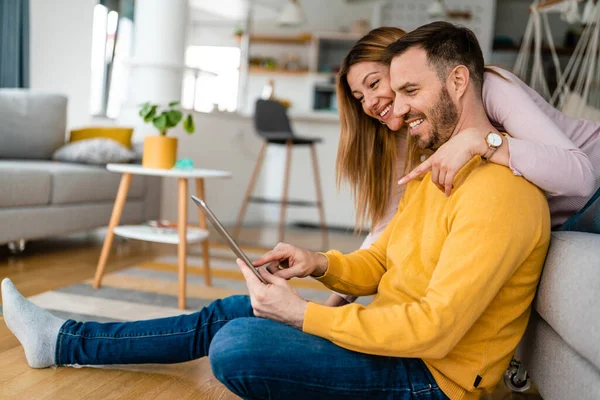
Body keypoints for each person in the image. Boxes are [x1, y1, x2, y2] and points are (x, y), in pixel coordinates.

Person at [2, 22, 550, 400]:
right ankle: (62, 340)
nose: (396, 109)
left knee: (238, 342)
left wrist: (304, 316)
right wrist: (316, 262)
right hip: (393, 344)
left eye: (409, 91)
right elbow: (380, 264)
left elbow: (434, 330)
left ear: (458, 80)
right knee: (234, 312)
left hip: (428, 381)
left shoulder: (504, 193)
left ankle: (65, 341)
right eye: (392, 91)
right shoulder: (435, 173)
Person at [325, 26, 600, 308]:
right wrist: (329, 305)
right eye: (359, 98)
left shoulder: (487, 88)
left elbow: (580, 177)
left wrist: (482, 141)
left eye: (374, 84)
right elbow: (388, 226)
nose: (370, 103)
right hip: (567, 215)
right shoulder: (413, 130)